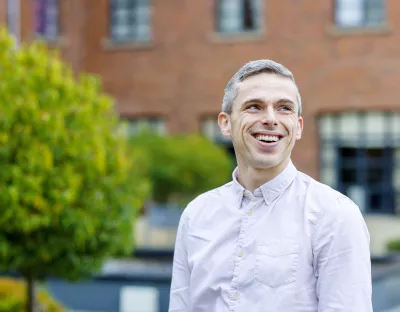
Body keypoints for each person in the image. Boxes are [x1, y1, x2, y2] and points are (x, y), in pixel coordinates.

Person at [168, 60, 372, 312]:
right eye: (254, 106)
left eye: (284, 108)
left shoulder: (334, 216)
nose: (270, 119)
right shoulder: (196, 215)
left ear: (298, 127)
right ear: (225, 123)